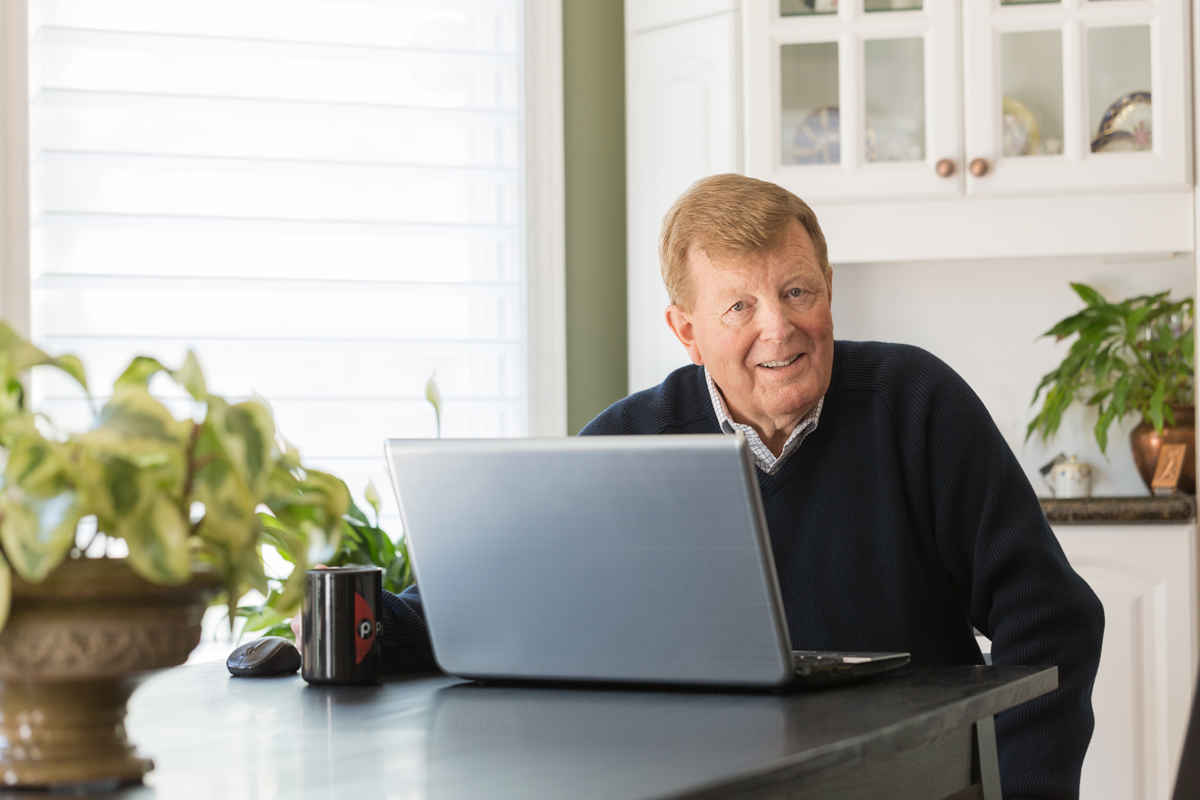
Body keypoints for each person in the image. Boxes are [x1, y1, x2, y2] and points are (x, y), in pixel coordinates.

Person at [368, 174, 1104, 799]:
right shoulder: (631, 441)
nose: (780, 329)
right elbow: (487, 598)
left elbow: (1051, 619)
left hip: (906, 780)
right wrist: (352, 620)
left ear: (828, 288)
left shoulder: (916, 403)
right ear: (685, 331)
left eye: (796, 291)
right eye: (739, 307)